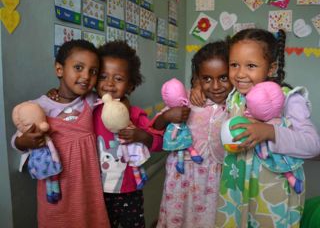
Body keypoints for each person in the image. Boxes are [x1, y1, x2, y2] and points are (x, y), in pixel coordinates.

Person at [215, 28, 320, 227]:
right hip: (235, 190)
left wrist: (270, 132)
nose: (240, 74)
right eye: (234, 65)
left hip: (272, 194)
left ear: (271, 68)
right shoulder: (234, 97)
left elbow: (313, 144)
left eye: (251, 66)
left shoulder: (290, 98)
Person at [12, 40, 110, 228]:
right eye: (78, 67)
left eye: (93, 71)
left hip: (88, 188)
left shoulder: (90, 100)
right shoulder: (39, 108)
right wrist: (24, 141)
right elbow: (16, 142)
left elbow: (116, 100)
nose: (86, 76)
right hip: (57, 192)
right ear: (59, 69)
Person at [152, 41, 233, 228]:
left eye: (223, 78)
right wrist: (167, 116)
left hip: (216, 179)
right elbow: (156, 126)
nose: (216, 86)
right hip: (182, 177)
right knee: (178, 218)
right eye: (206, 79)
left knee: (211, 220)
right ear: (197, 78)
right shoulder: (185, 98)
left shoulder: (235, 103)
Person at [93, 40, 162, 228]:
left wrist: (141, 136)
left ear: (131, 85)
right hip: (96, 190)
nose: (109, 84)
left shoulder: (136, 114)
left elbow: (158, 143)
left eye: (118, 78)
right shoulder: (90, 112)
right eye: (103, 76)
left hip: (129, 190)